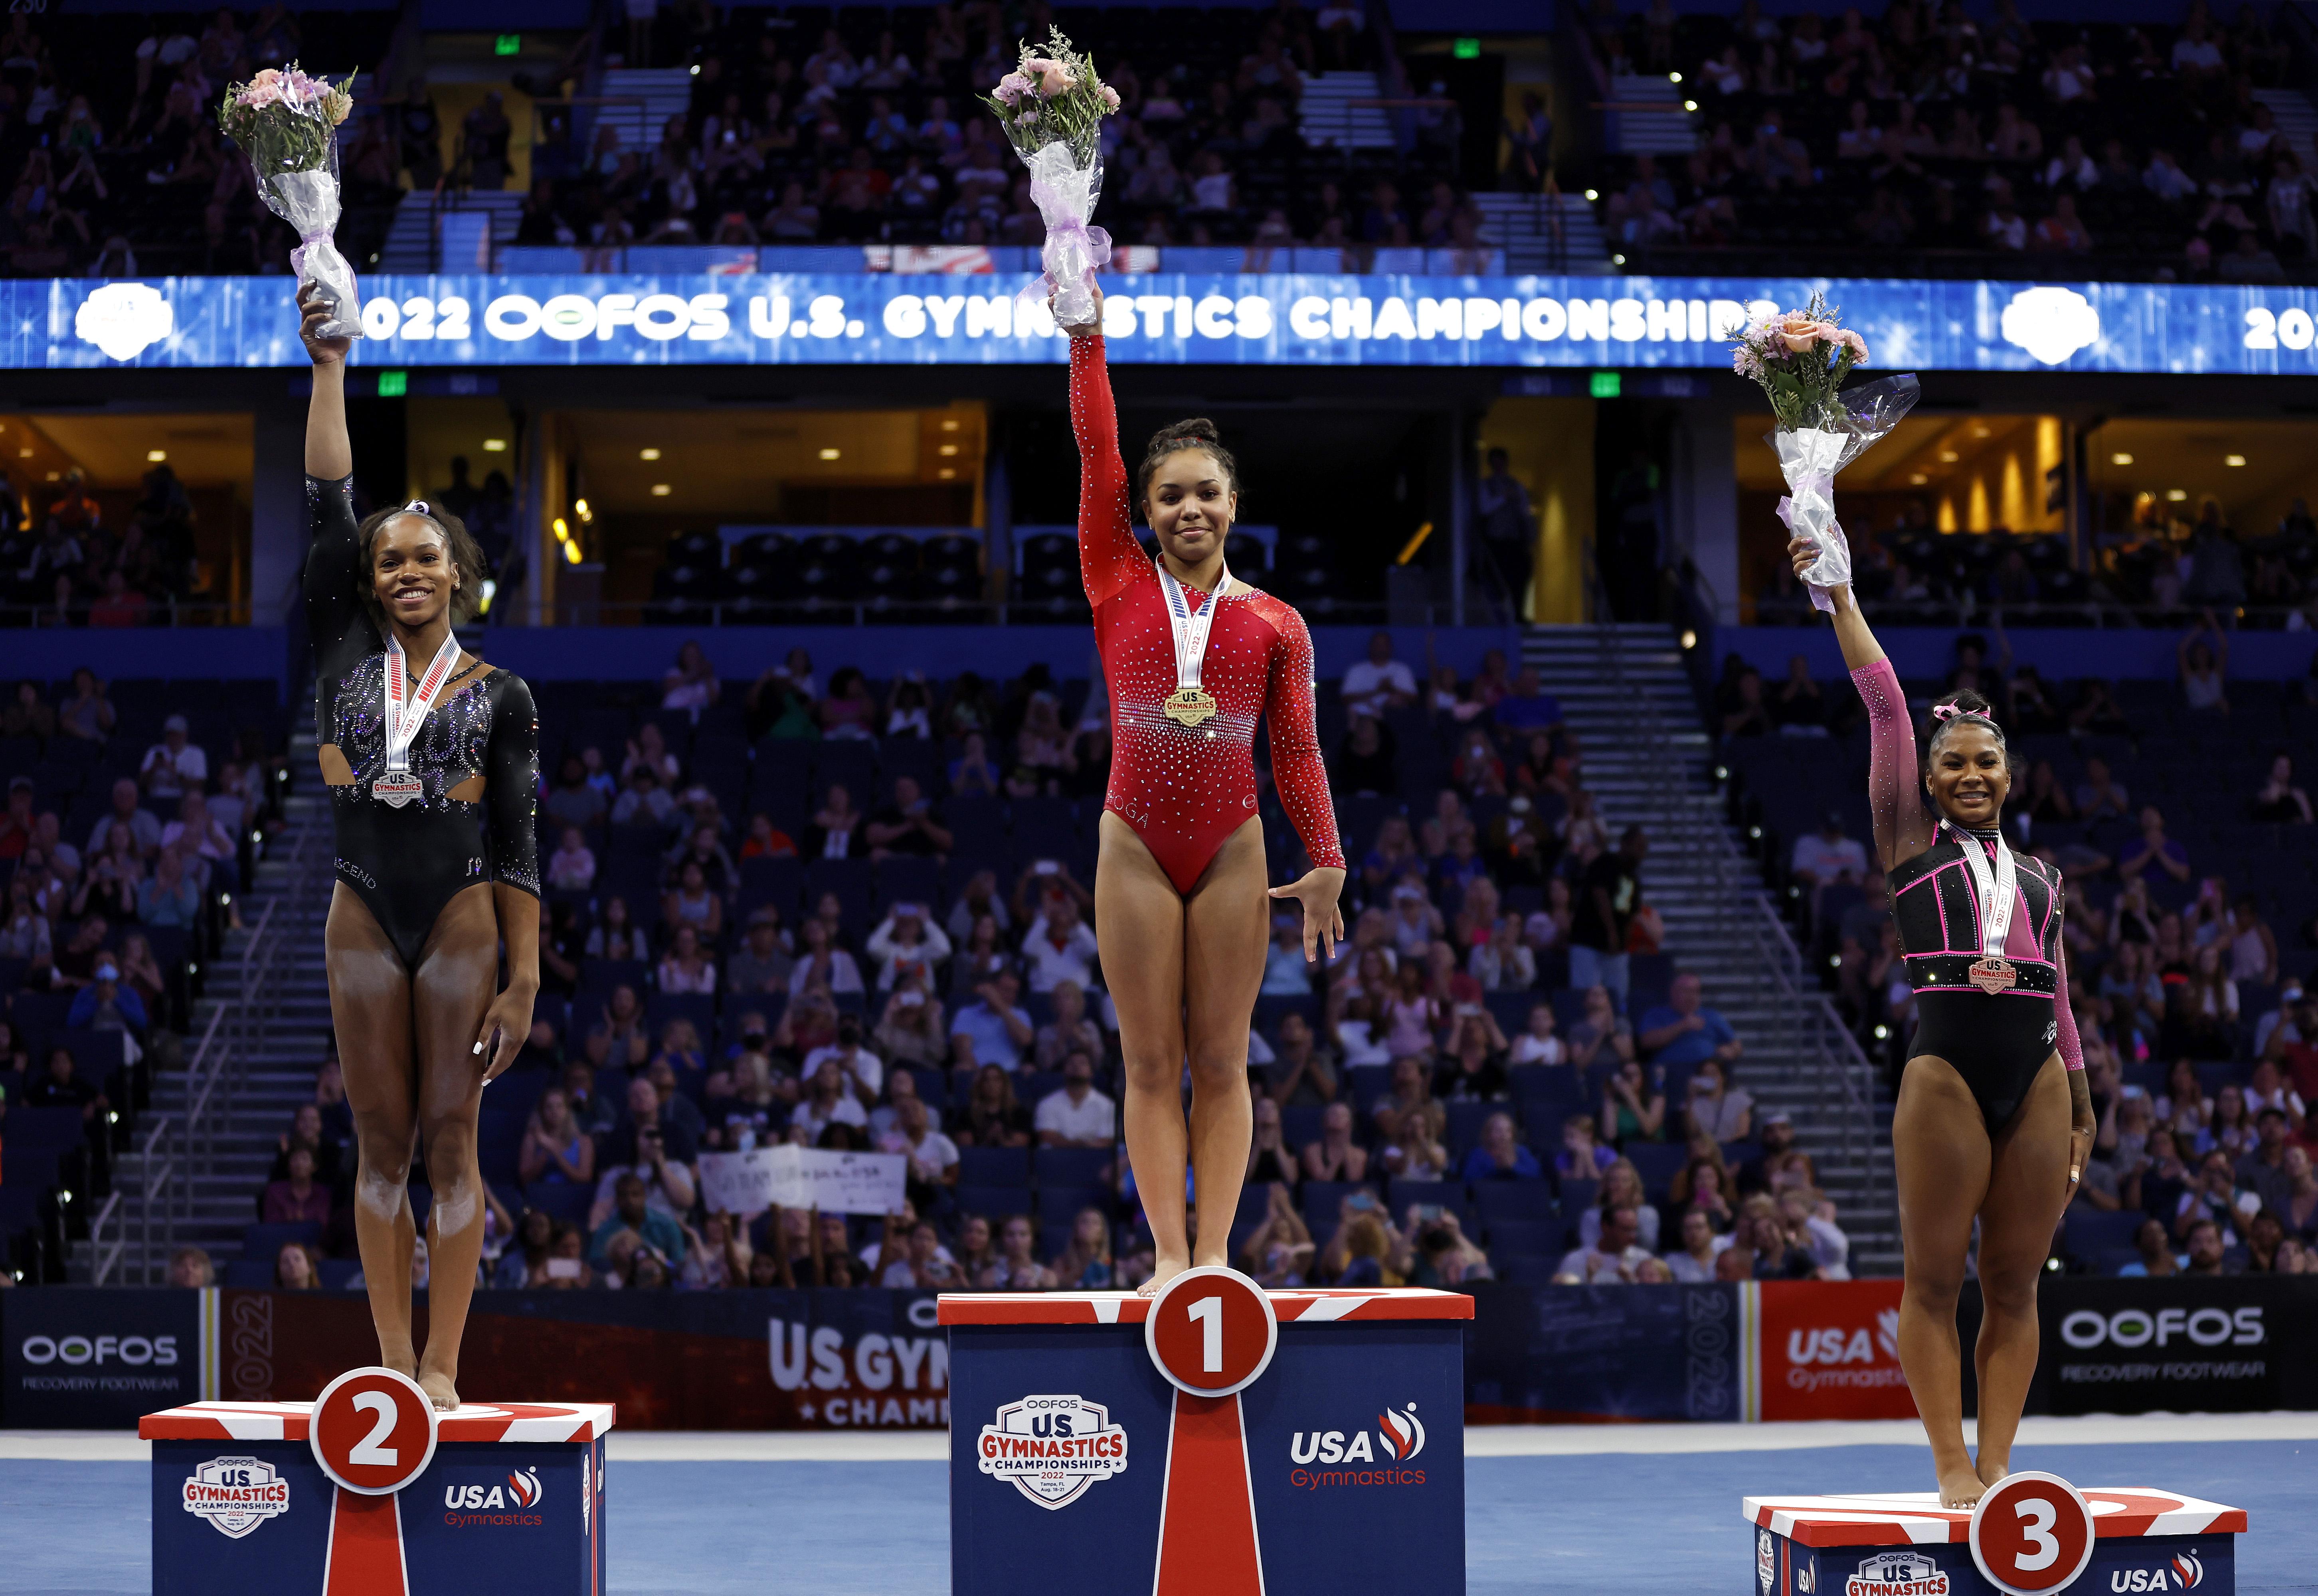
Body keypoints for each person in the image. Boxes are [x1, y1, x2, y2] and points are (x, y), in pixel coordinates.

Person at [1798, 529, 2093, 1507]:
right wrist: (1837, 590)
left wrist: (2083, 1104)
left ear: (2008, 776)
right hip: (1946, 1072)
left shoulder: (2042, 877)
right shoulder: (1903, 839)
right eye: (1954, 763)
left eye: (1986, 764)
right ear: (1927, 778)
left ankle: (2000, 1463)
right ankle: (1948, 1464)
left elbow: (2058, 989)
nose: (1971, 774)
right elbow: (1883, 702)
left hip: (2040, 1074)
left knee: (2014, 1283)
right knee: (1932, 1281)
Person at [1064, 285, 1346, 1294]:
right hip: (1133, 840)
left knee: (1222, 1063)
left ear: (1233, 506)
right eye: (1169, 495)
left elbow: (1297, 753)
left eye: (1205, 494)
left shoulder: (1277, 624)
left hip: (1231, 843)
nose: (1188, 508)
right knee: (1148, 1063)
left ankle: (1216, 1258)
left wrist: (1326, 859)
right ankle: (1166, 1257)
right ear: (1143, 513)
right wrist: (1083, 333)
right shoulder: (1113, 578)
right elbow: (1098, 452)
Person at [301, 284, 540, 1411]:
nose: (403, 572)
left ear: (458, 576)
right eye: (388, 559)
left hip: (460, 916)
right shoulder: (339, 648)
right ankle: (392, 1366)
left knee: (453, 1137)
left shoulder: (502, 695)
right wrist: (331, 368)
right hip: (360, 911)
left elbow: (516, 841)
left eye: (424, 559)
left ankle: (446, 1365)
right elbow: (325, 494)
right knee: (380, 1139)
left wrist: (526, 980)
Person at [1570, 826, 1647, 1003]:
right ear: (1624, 845)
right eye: (1638, 847)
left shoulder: (1632, 877)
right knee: (1586, 997)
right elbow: (1600, 894)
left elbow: (1629, 913)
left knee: (1619, 997)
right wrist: (1611, 932)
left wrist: (1623, 943)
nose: (1642, 853)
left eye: (1644, 849)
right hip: (1588, 941)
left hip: (1615, 950)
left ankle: (1617, 1025)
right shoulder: (1606, 862)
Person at [1034, 1050, 1115, 1147]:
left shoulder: (1107, 1105)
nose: (1076, 1067)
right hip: (1055, 1158)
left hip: (1094, 1158)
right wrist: (1081, 1145)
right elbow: (1047, 1136)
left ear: (1092, 1072)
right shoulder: (1047, 1103)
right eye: (1071, 1063)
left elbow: (1107, 1139)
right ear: (1064, 1070)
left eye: (1083, 1063)